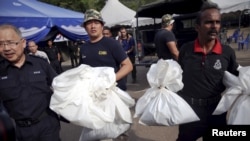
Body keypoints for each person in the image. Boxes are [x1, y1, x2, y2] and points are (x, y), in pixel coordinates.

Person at [177, 2, 239, 141]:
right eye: (209, 22)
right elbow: (176, 77)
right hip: (190, 112)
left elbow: (236, 80)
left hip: (217, 111)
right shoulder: (186, 50)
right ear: (197, 27)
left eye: (217, 22)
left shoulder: (227, 52)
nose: (214, 26)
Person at [0, 24, 61, 141]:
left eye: (11, 42)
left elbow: (61, 87)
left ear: (23, 43)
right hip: (19, 130)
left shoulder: (41, 64)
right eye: (1, 44)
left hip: (47, 124)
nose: (6, 48)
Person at [79, 9, 133, 91]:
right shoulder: (83, 48)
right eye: (89, 23)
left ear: (102, 26)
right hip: (93, 93)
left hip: (113, 91)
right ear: (85, 28)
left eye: (96, 23)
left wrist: (110, 80)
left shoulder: (112, 44)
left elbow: (128, 66)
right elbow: (82, 70)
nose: (93, 26)